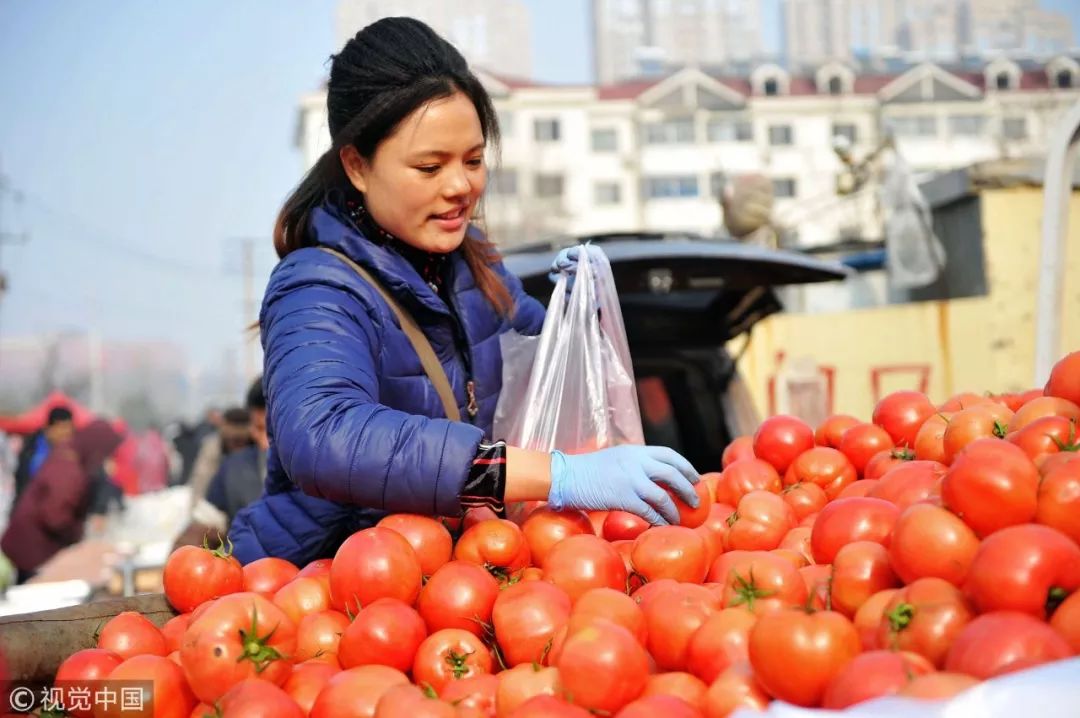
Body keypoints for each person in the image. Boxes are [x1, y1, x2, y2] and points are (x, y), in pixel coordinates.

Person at [228, 17, 701, 566]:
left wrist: (578, 314)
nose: (460, 187)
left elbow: (551, 372)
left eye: (473, 161)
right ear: (356, 165)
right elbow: (324, 435)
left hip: (453, 581)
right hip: (336, 583)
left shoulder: (473, 269)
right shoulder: (316, 289)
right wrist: (555, 477)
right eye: (429, 167)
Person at [0, 419, 123, 583]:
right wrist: (79, 534)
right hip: (30, 548)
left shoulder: (68, 456)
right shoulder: (69, 469)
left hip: (29, 546)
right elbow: (54, 516)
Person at [172, 378, 268, 549]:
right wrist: (181, 560)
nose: (257, 436)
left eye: (264, 429)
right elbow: (205, 522)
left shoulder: (316, 474)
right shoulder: (234, 468)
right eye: (256, 427)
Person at [13, 405, 75, 502]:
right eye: (62, 428)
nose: (66, 434)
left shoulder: (73, 452)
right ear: (49, 428)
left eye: (69, 430)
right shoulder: (32, 448)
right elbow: (22, 479)